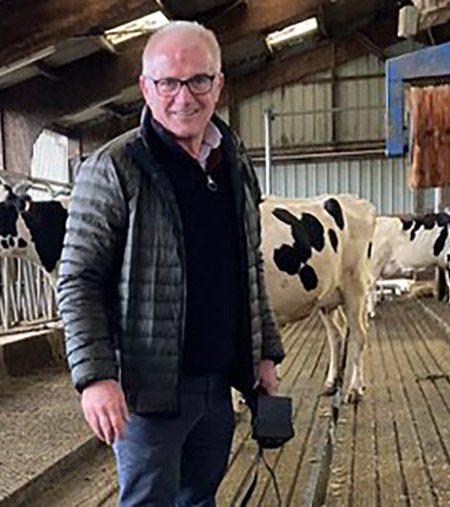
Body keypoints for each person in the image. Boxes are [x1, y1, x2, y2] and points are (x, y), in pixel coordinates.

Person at [57, 20, 285, 506]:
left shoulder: (234, 163)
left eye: (199, 80)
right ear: (146, 87)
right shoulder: (114, 167)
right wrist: (95, 378)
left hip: (217, 383)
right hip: (149, 391)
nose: (184, 97)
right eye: (168, 83)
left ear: (219, 84)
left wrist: (264, 351)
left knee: (200, 498)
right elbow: (78, 279)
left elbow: (249, 265)